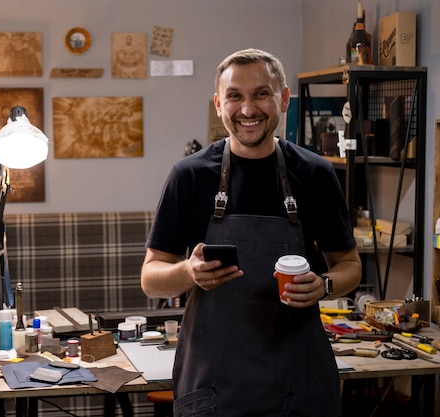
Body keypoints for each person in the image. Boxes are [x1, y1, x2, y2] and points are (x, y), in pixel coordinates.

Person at [141, 48, 361, 416]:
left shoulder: (315, 174)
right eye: (234, 96)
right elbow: (151, 278)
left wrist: (323, 285)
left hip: (299, 381)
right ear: (218, 104)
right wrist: (187, 272)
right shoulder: (190, 176)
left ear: (284, 98)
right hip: (213, 384)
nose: (247, 110)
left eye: (261, 94)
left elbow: (349, 265)